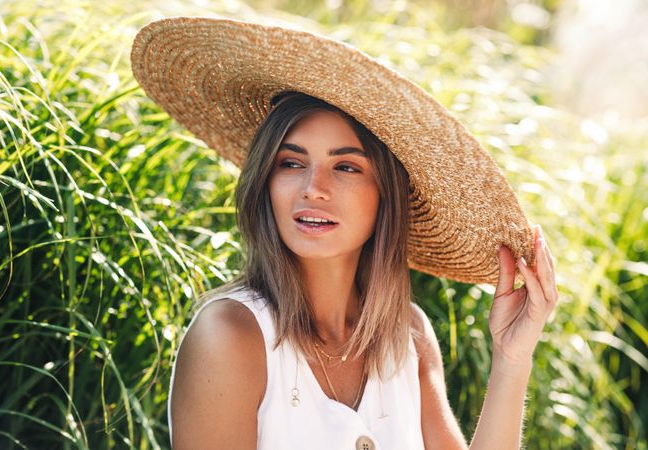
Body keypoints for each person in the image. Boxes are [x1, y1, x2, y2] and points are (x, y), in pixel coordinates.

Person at [130, 16, 559, 450]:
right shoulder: (231, 335)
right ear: (266, 179)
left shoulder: (407, 336)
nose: (312, 189)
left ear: (386, 195)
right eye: (291, 163)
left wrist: (510, 358)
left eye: (347, 167)